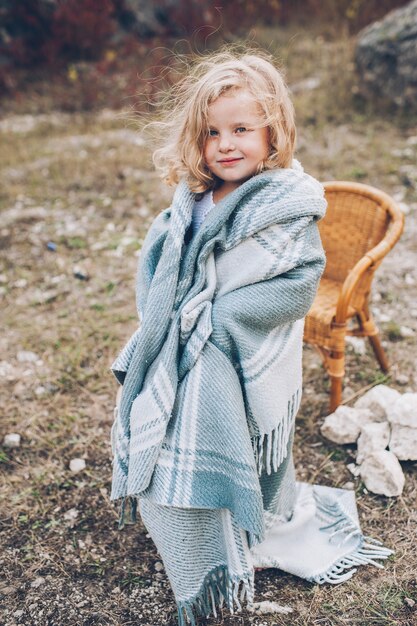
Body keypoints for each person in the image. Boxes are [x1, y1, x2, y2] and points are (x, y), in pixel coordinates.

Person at [109, 49, 392, 626]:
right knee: (169, 416)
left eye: (242, 129)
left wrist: (219, 321)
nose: (226, 144)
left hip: (243, 343)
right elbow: (161, 265)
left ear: (273, 133)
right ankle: (195, 510)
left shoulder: (282, 203)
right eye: (212, 132)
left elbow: (295, 281)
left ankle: (249, 512)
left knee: (236, 425)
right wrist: (169, 316)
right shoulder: (191, 200)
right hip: (186, 341)